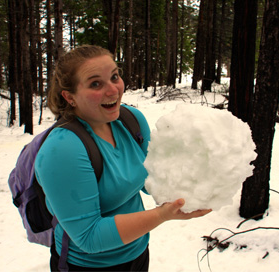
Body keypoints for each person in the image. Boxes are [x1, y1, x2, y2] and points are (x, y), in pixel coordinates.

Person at [34, 44, 211, 272]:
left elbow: (152, 182)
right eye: (95, 83)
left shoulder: (131, 120)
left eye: (115, 76)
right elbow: (88, 237)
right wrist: (161, 215)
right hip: (87, 265)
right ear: (70, 97)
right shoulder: (62, 150)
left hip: (137, 252)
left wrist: (198, 175)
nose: (113, 90)